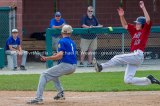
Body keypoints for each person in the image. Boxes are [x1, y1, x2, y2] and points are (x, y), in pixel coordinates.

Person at [93, 1, 160, 85]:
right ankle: (149, 80)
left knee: (117, 57)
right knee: (128, 80)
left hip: (138, 54)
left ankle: (101, 67)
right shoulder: (134, 31)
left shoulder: (145, 30)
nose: (136, 24)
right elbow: (125, 25)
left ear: (142, 24)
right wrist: (121, 16)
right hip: (134, 57)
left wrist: (143, 8)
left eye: (138, 23)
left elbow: (148, 20)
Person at [27, 25, 77, 104]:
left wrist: (47, 58)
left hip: (66, 65)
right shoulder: (72, 42)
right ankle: (60, 93)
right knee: (54, 75)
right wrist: (55, 55)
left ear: (62, 32)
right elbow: (64, 54)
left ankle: (38, 98)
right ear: (70, 33)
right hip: (73, 66)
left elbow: (60, 55)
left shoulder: (62, 41)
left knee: (44, 74)